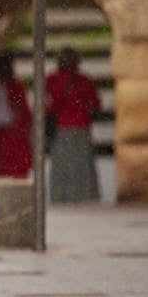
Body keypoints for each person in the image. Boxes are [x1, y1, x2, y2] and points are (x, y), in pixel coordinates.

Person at [47, 47, 101, 203]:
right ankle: (83, 195)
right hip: (82, 126)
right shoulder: (85, 80)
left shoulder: (52, 79)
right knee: (82, 163)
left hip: (62, 126)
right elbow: (95, 104)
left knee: (62, 164)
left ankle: (61, 195)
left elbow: (48, 104)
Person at [0, 52, 32, 178]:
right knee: (17, 176)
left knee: (0, 174)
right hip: (15, 136)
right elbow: (24, 113)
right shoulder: (15, 85)